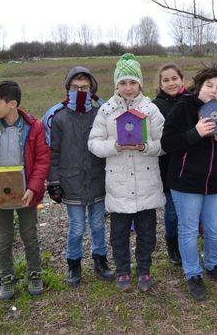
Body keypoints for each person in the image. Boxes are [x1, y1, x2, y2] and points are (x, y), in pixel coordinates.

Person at [88, 53, 165, 293]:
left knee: (147, 234)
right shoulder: (107, 111)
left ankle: (144, 270)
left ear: (140, 84)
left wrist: (146, 147)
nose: (128, 88)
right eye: (123, 83)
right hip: (119, 185)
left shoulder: (151, 110)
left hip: (146, 182)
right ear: (116, 85)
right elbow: (93, 143)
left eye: (132, 82)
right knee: (119, 234)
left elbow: (163, 143)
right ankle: (122, 271)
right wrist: (115, 146)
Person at [0, 80, 50, 300]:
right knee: (3, 238)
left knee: (30, 235)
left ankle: (35, 275)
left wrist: (33, 188)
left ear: (12, 103)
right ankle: (6, 279)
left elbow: (43, 160)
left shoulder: (33, 127)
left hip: (26, 193)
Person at [161, 66, 217, 301]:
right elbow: (167, 142)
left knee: (215, 229)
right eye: (209, 85)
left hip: (212, 182)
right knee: (189, 230)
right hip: (185, 182)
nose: (214, 91)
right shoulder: (184, 106)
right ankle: (193, 273)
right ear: (199, 86)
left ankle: (213, 265)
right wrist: (195, 132)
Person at [46, 67, 114, 288]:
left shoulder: (99, 113)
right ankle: (73, 264)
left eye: (84, 87)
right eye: (75, 87)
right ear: (68, 89)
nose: (80, 90)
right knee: (76, 226)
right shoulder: (59, 117)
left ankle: (100, 260)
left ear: (91, 89)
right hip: (71, 181)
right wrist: (54, 180)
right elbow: (53, 152)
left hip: (97, 180)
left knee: (97, 224)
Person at [152, 63, 186, 266]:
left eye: (174, 78)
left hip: (190, 165)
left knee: (189, 213)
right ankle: (172, 245)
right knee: (172, 211)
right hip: (168, 167)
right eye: (166, 80)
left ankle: (186, 244)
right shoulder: (156, 106)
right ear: (160, 84)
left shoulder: (191, 100)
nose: (171, 83)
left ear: (182, 79)